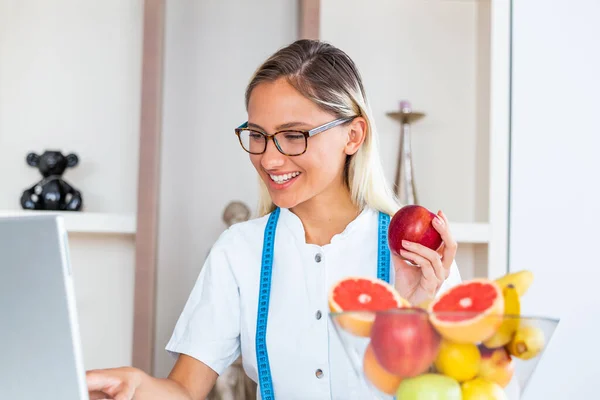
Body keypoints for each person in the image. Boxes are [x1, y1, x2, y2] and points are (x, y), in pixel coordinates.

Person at [86, 39, 462, 400]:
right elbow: (184, 390)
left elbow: (458, 386)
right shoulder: (239, 250)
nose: (269, 159)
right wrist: (137, 386)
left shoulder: (417, 255)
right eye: (258, 136)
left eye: (293, 135)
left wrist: (418, 310)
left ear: (353, 135)